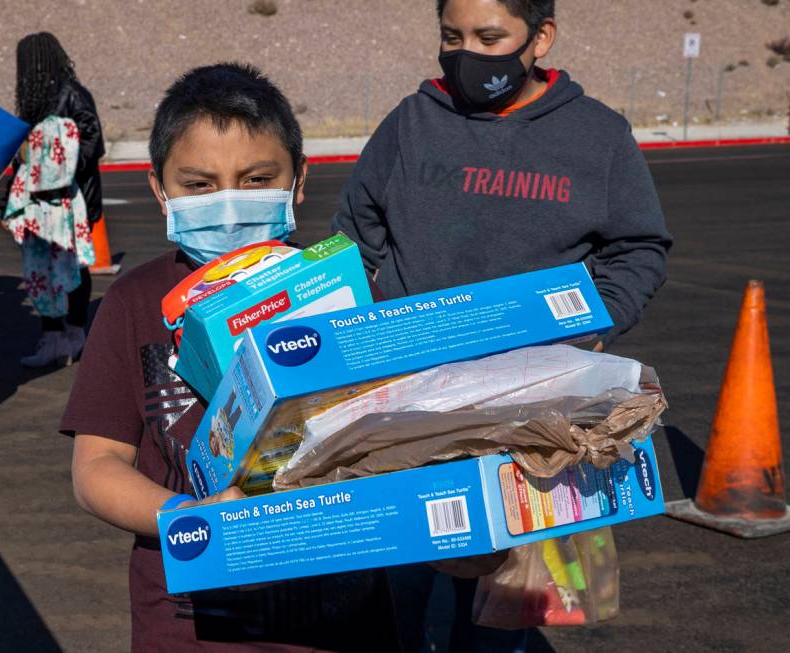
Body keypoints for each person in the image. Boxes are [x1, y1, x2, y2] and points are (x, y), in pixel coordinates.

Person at [332, 0, 672, 650]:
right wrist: (355, 330)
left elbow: (637, 248)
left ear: (539, 38)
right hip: (407, 406)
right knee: (397, 585)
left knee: (496, 610)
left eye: (489, 37)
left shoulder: (596, 136)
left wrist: (593, 330)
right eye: (451, 37)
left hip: (526, 415)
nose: (466, 53)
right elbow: (355, 230)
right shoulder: (410, 122)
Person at [62, 63, 398, 653]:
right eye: (198, 184)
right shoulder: (134, 302)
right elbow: (95, 470)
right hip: (189, 628)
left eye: (255, 178)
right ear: (160, 190)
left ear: (298, 182)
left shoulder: (348, 292)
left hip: (341, 619)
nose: (228, 203)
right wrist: (190, 518)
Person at [12, 32, 105, 366]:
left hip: (71, 200)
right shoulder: (36, 98)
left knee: (73, 264)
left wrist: (56, 172)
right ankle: (53, 336)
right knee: (40, 268)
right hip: (41, 204)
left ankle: (75, 334)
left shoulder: (71, 94)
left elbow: (93, 142)